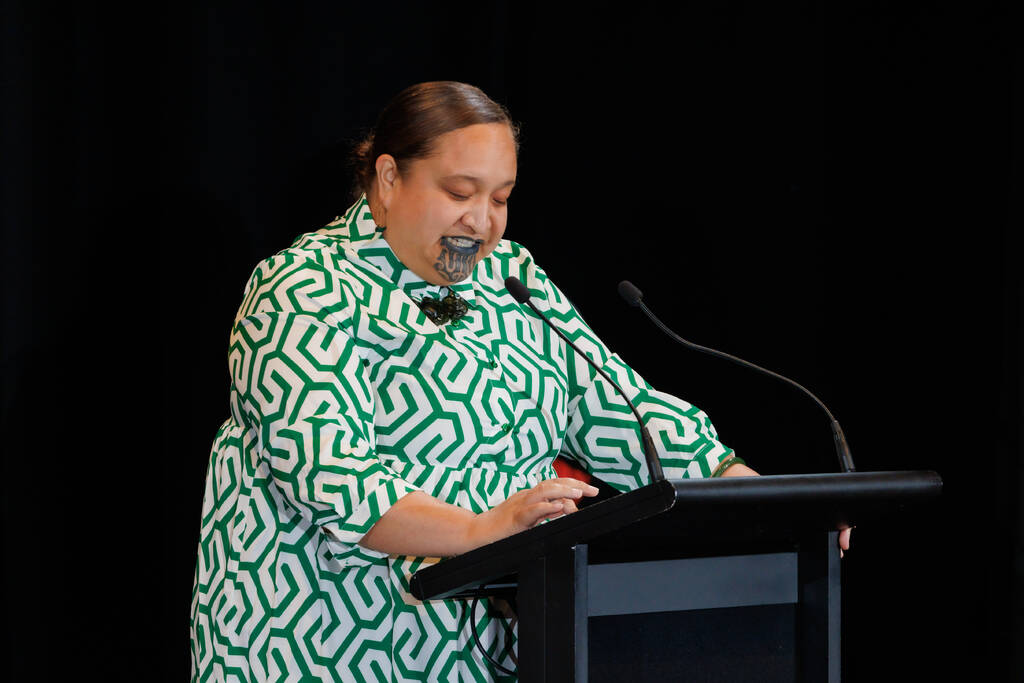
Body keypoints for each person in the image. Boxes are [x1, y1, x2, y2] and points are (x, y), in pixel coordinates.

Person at [189, 80, 790, 682]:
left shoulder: (510, 276)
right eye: (459, 192)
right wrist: (483, 529)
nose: (481, 222)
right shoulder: (302, 288)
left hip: (484, 646)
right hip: (322, 639)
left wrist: (749, 495)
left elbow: (615, 406)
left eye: (501, 198)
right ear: (389, 178)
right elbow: (331, 476)